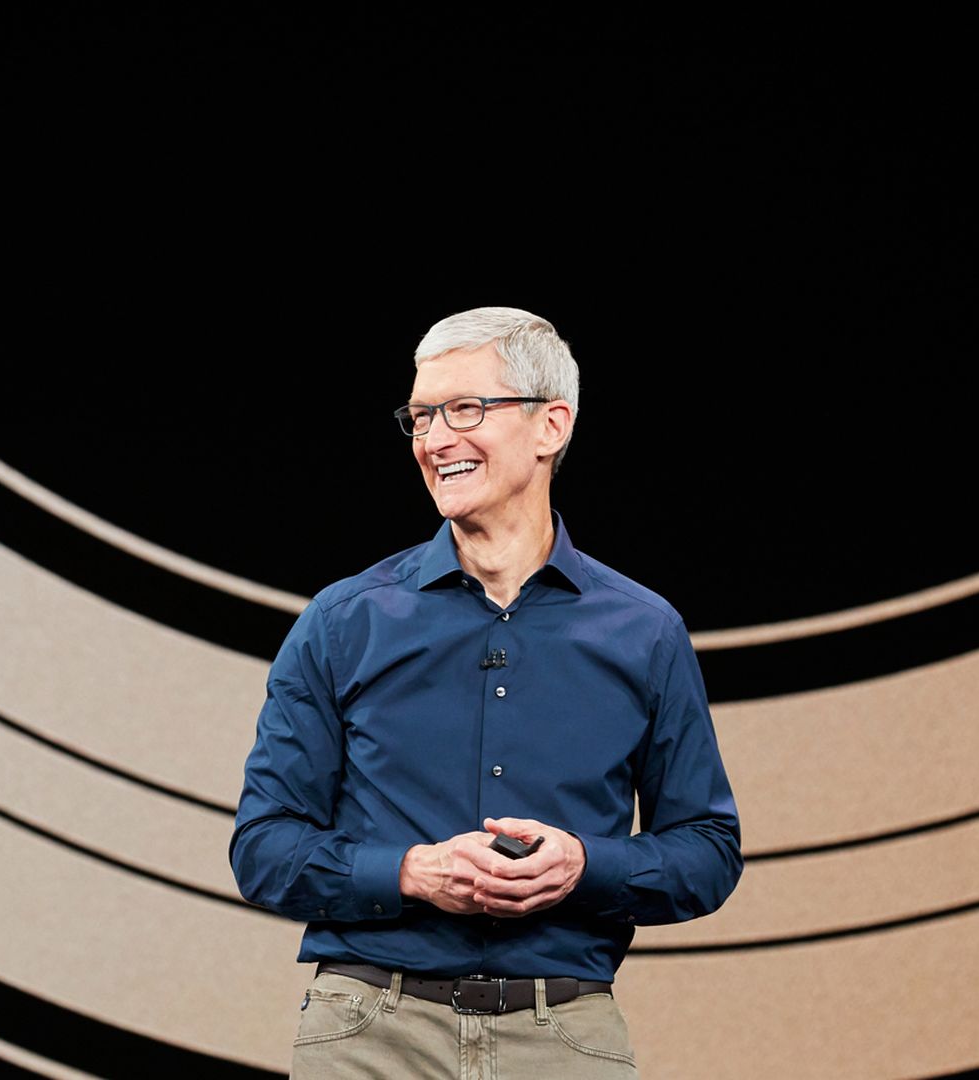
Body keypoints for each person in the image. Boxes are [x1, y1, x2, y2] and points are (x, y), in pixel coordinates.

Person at [231, 307, 741, 1077]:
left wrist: (584, 865)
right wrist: (411, 872)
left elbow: (706, 851)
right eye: (422, 416)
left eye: (466, 409)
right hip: (372, 1030)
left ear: (551, 426)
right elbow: (264, 848)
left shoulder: (644, 630)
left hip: (563, 1031)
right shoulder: (345, 620)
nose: (436, 440)